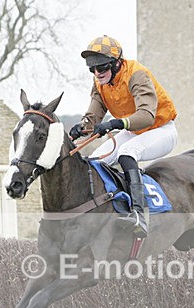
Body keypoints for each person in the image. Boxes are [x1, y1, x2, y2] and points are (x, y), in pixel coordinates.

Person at [70, 35, 178, 238]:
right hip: (134, 131)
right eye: (92, 69)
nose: (97, 73)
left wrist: (116, 123)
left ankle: (138, 215)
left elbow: (146, 115)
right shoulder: (99, 83)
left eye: (101, 68)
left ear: (116, 63)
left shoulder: (137, 75)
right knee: (95, 161)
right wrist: (81, 127)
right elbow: (93, 117)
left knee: (127, 153)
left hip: (161, 129)